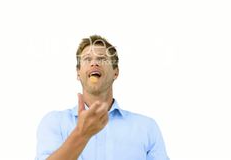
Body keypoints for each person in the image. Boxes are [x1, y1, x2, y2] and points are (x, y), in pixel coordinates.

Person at [35, 35, 170, 160]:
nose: (94, 63)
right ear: (78, 73)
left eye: (102, 59)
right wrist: (81, 134)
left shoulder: (147, 127)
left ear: (115, 73)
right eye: (87, 59)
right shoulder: (54, 122)